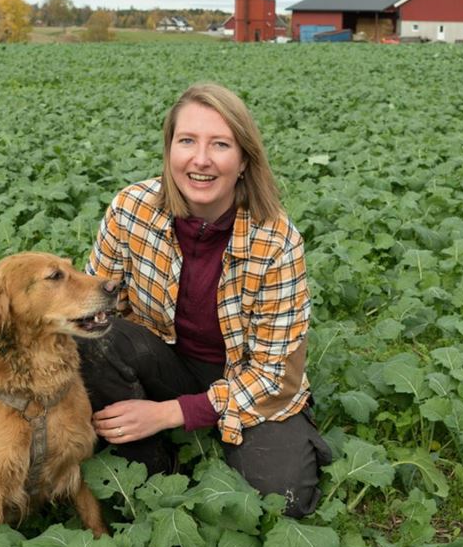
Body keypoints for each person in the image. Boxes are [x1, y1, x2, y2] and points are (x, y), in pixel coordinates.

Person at [79, 82, 331, 517]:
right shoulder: (129, 211)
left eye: (220, 144)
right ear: (169, 150)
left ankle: (184, 432)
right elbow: (90, 308)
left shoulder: (275, 240)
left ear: (244, 160)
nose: (200, 160)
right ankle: (151, 462)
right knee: (91, 338)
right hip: (163, 361)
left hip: (246, 379)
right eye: (187, 141)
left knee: (281, 500)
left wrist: (168, 414)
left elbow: (274, 375)